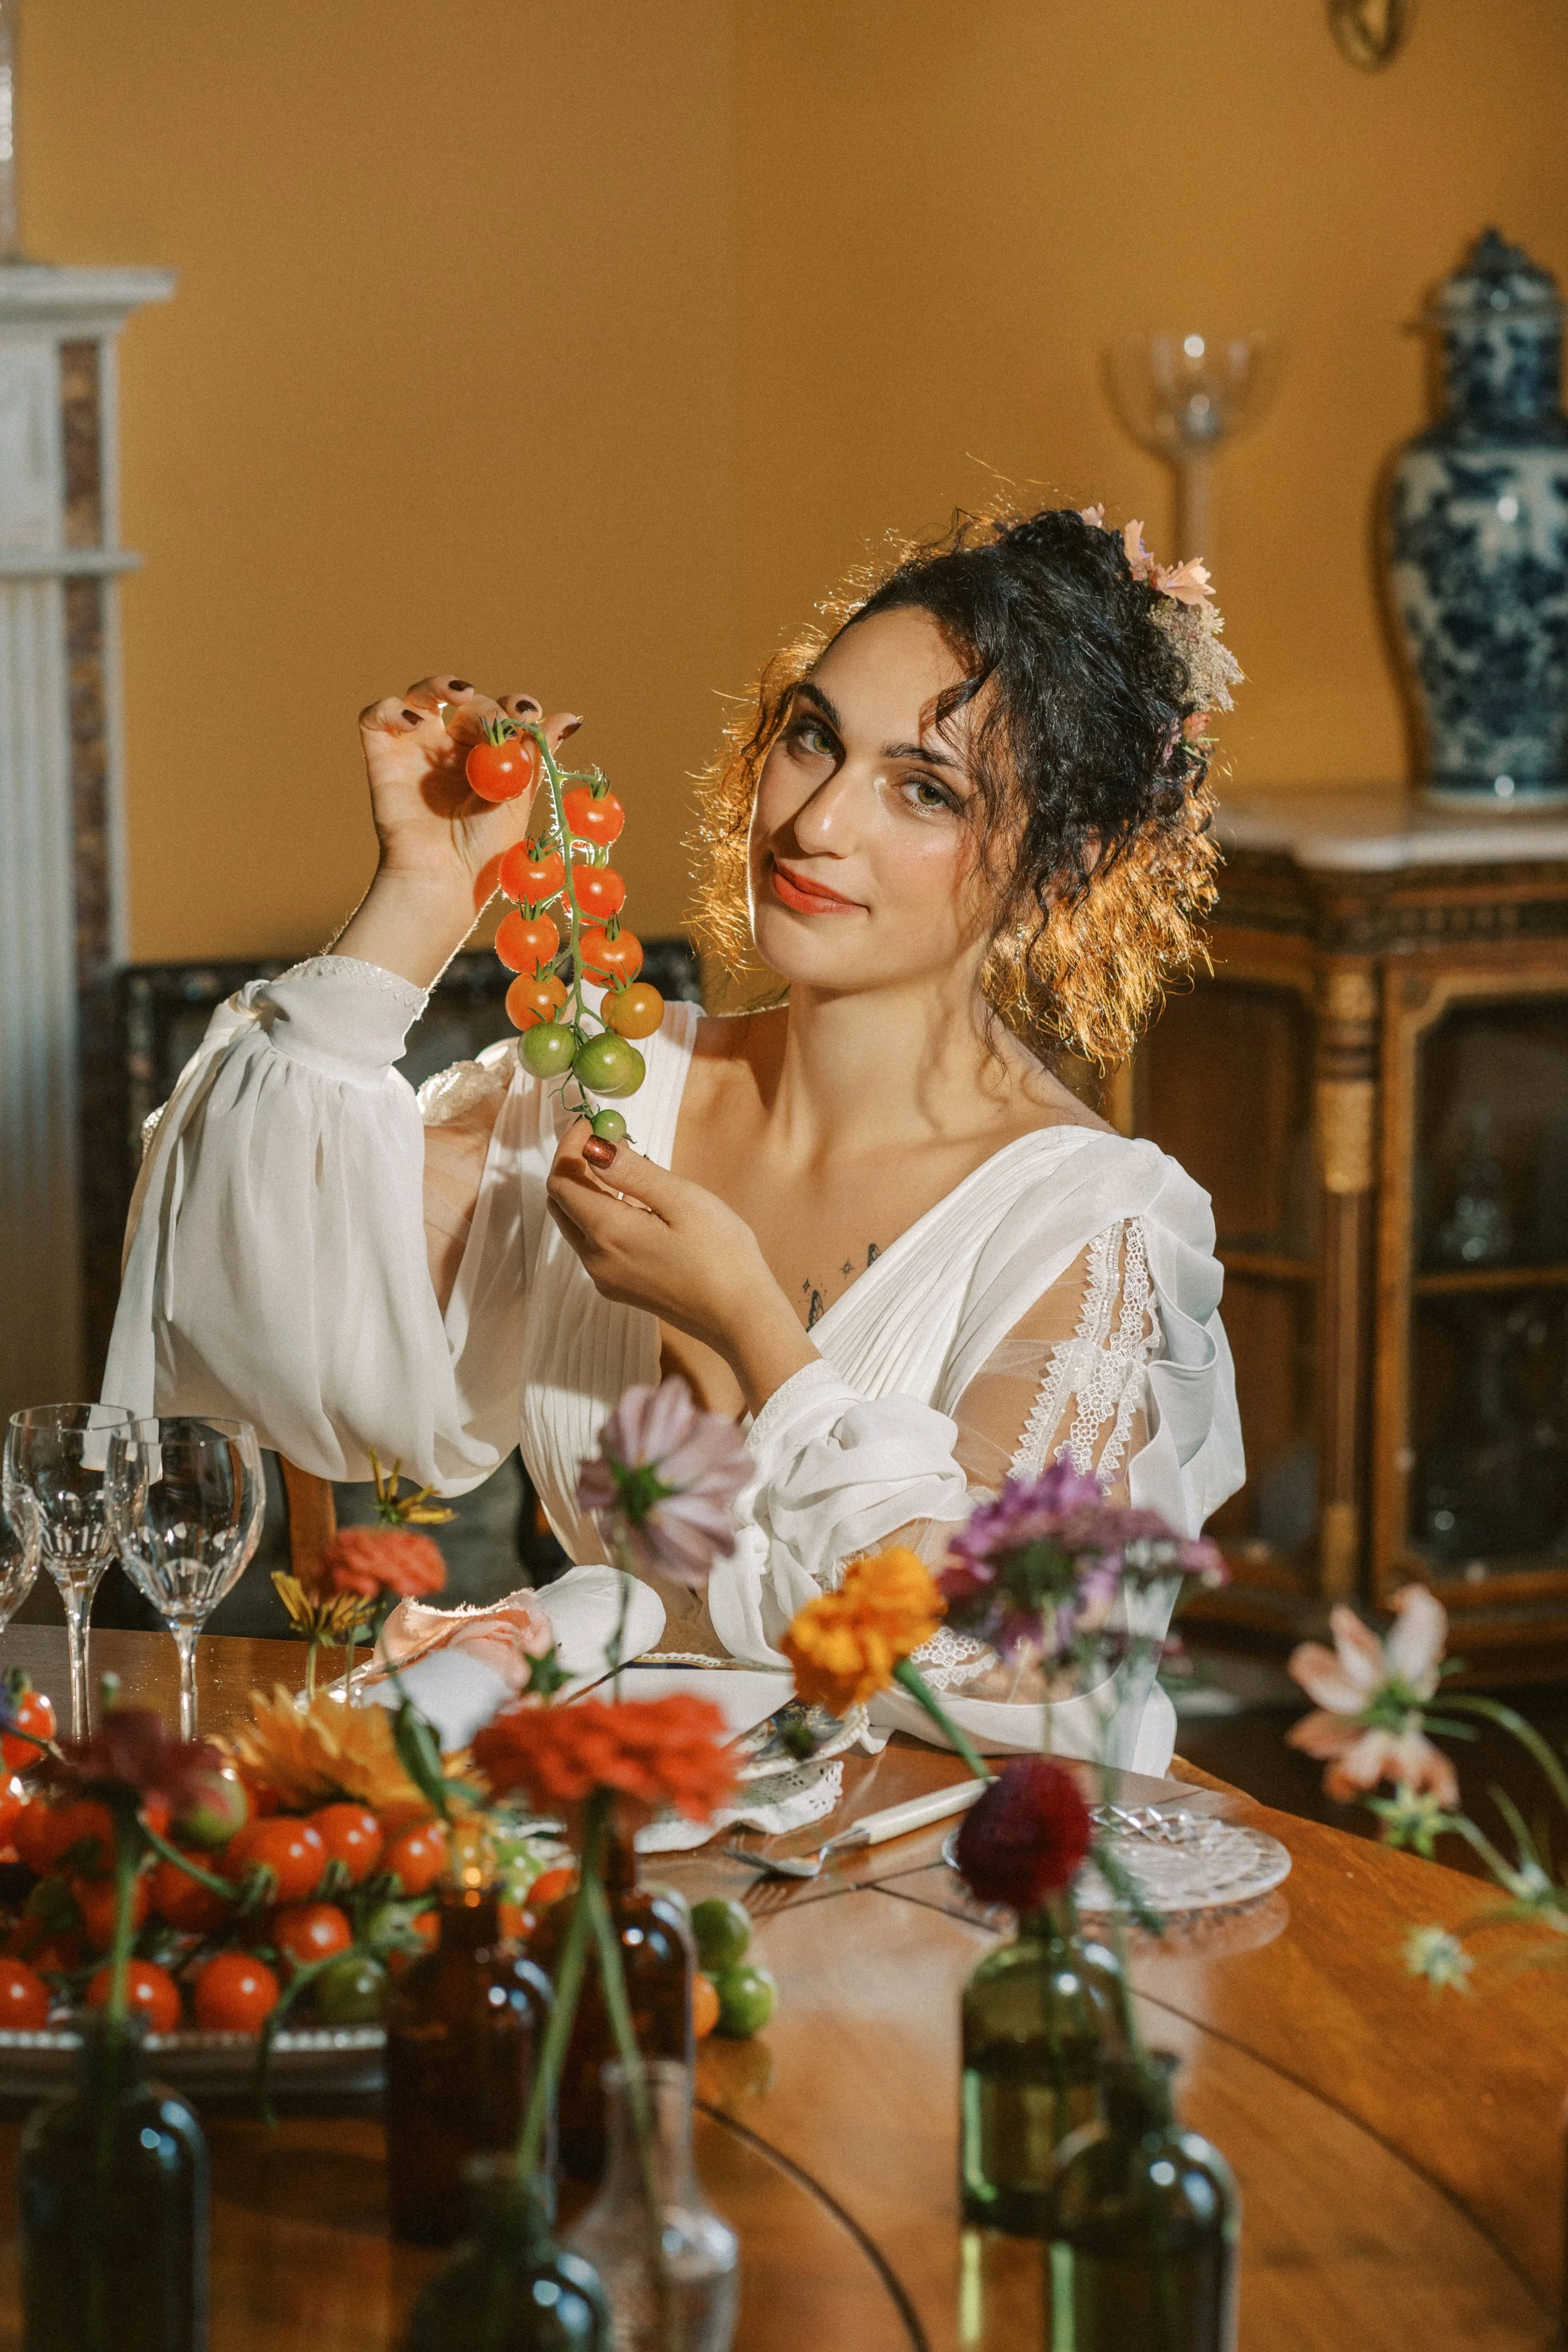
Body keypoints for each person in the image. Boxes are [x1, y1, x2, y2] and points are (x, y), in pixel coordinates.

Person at [105, 504, 1244, 1768]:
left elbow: (989, 1654)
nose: (814, 823)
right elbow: (237, 1306)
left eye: (922, 789)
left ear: (1061, 865)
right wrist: (419, 903)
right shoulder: (610, 1090)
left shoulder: (1092, 1224)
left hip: (940, 1903)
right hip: (634, 1849)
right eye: (813, 738)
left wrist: (750, 1323)